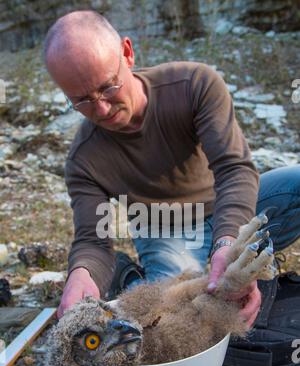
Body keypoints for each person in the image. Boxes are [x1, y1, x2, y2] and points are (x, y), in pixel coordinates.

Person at [44, 10, 300, 325]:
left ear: (127, 52)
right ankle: (138, 281)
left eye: (108, 87)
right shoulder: (85, 160)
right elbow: (93, 238)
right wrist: (81, 274)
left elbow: (234, 169)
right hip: (164, 229)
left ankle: (213, 269)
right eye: (81, 100)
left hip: (226, 206)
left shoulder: (194, 84)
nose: (102, 109)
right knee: (169, 319)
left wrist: (230, 246)